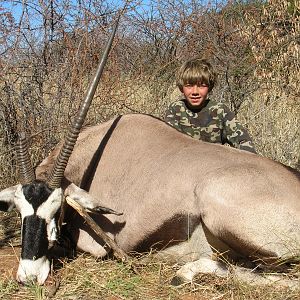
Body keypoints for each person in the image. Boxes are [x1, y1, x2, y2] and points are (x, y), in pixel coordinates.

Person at [164, 58, 256, 153]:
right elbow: (168, 144)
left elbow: (243, 141)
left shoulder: (220, 110)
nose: (195, 92)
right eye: (189, 86)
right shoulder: (175, 109)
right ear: (181, 88)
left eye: (201, 86)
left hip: (215, 163)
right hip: (185, 161)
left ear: (209, 87)